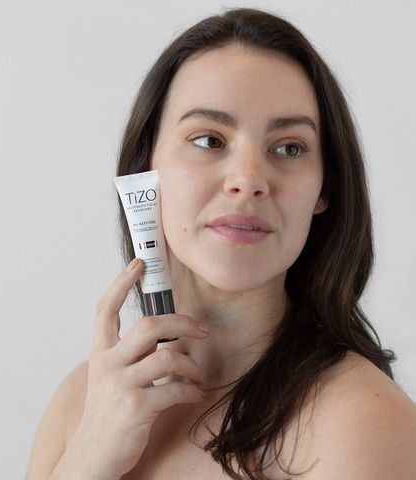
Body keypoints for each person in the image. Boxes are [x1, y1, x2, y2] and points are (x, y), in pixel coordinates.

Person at [26, 7, 416, 480]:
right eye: (209, 140)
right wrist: (86, 459)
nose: (248, 180)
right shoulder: (80, 402)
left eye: (289, 148)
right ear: (146, 167)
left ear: (324, 189)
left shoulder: (362, 424)